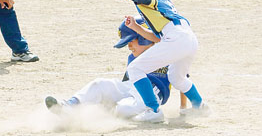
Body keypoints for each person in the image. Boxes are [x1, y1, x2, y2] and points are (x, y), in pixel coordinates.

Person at [83, 0, 209, 122]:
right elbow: (158, 37)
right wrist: (136, 27)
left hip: (177, 38)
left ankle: (153, 110)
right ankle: (199, 106)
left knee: (135, 69)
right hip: (187, 38)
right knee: (176, 77)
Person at [45, 18, 189, 118]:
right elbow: (126, 83)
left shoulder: (166, 54)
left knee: (123, 109)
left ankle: (107, 115)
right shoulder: (133, 57)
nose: (128, 46)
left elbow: (182, 79)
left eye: (131, 41)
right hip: (131, 87)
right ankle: (69, 106)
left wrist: (183, 108)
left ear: (144, 37)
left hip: (152, 93)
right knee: (99, 84)